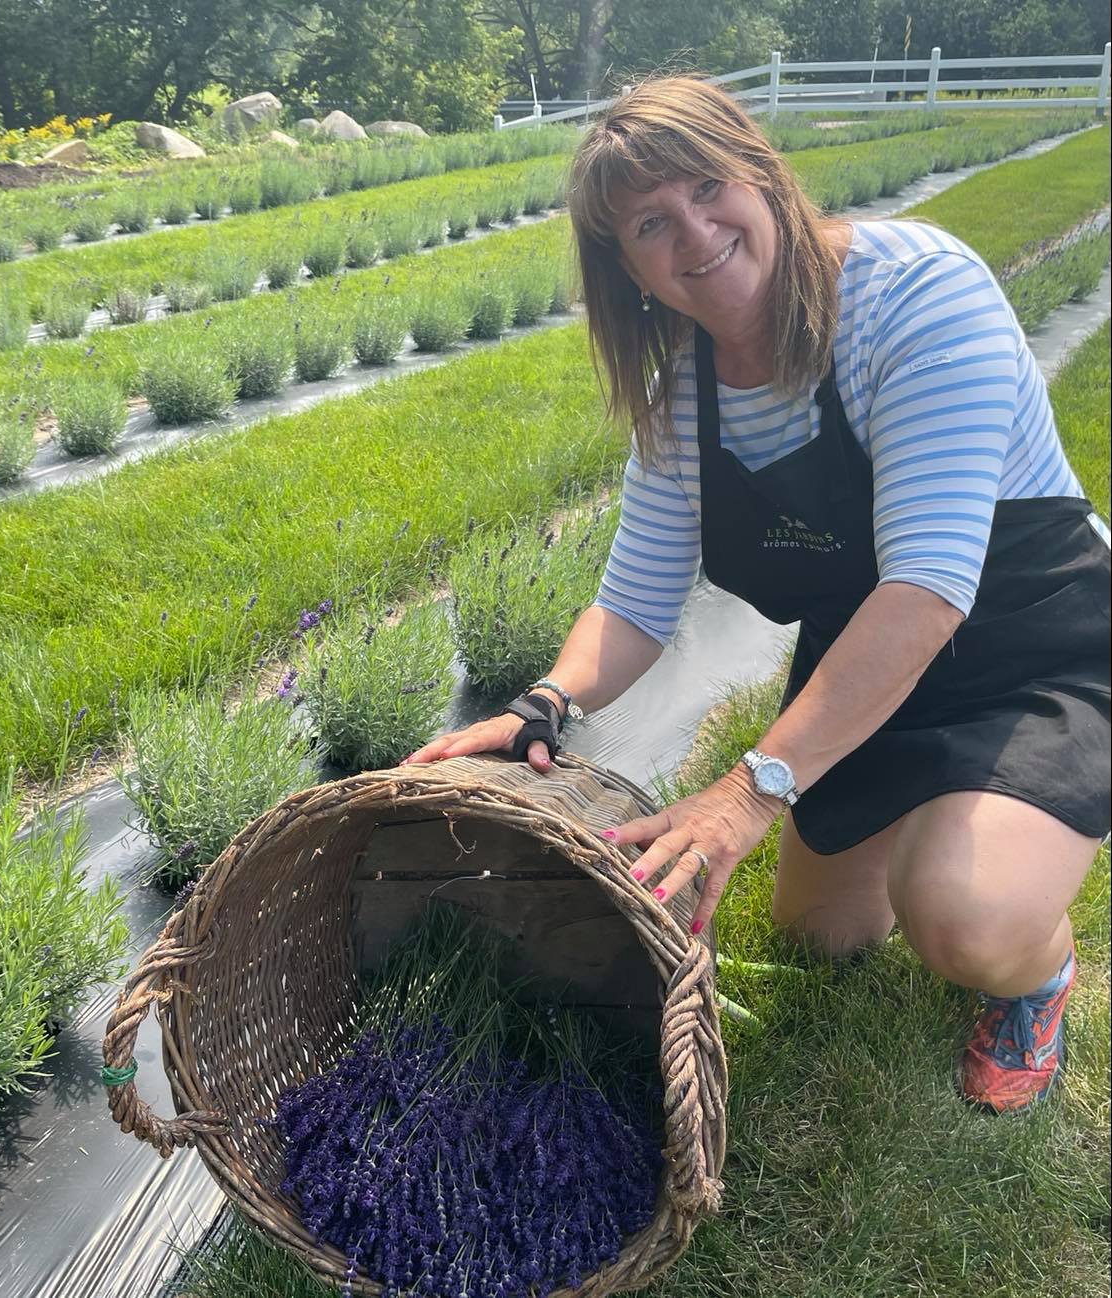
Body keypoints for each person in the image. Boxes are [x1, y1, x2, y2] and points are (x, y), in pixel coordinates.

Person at [403, 76, 1111, 1114]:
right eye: (650, 223)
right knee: (818, 936)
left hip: (1034, 639)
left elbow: (923, 588)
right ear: (628, 268)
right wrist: (539, 704)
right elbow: (636, 604)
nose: (693, 231)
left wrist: (748, 787)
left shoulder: (912, 289)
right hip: (862, 664)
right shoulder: (682, 397)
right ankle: (954, 819)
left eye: (706, 187)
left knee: (960, 916)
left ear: (763, 177)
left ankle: (1035, 971)